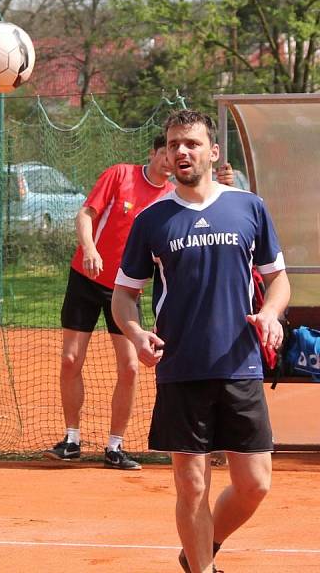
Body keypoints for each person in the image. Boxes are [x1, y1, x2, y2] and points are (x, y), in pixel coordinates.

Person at [111, 109, 290, 573]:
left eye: (191, 143)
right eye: (173, 145)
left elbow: (279, 280)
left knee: (255, 483)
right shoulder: (152, 219)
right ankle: (202, 568)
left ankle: (198, 553)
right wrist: (135, 333)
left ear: (213, 152)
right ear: (166, 156)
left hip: (240, 364)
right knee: (191, 486)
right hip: (181, 367)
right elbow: (123, 296)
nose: (181, 151)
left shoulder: (248, 206)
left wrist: (271, 313)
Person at [43, 135, 235, 470]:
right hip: (86, 278)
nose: (170, 159)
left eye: (176, 153)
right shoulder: (120, 175)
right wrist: (89, 249)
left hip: (125, 290)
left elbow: (211, 202)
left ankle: (115, 447)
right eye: (166, 152)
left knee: (130, 367)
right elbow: (85, 215)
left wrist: (228, 183)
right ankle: (71, 440)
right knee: (71, 359)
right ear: (154, 153)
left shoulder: (172, 197)